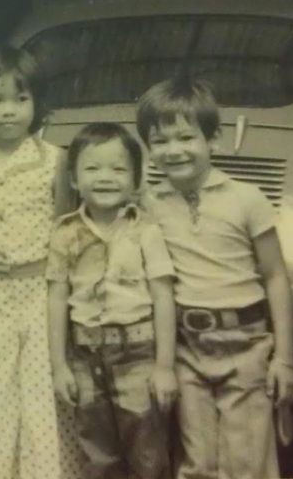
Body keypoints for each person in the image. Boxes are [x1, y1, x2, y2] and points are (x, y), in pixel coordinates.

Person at [136, 77, 293, 479]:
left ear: (214, 140)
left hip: (245, 346)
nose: (173, 150)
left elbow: (276, 277)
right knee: (198, 463)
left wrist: (286, 359)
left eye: (186, 137)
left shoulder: (247, 198)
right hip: (187, 351)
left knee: (246, 463)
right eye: (159, 141)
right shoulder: (151, 204)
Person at [0, 43, 83, 479]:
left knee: (44, 397)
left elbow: (67, 238)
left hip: (43, 292)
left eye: (20, 99)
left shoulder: (55, 160)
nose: (8, 111)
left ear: (36, 102)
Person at [46, 122, 177, 479]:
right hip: (85, 359)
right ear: (73, 179)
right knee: (99, 455)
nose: (105, 177)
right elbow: (57, 298)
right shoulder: (64, 233)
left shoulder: (145, 230)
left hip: (138, 357)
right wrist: (59, 365)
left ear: (136, 180)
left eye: (118, 169)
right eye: (92, 168)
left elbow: (163, 295)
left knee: (148, 455)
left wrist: (164, 366)